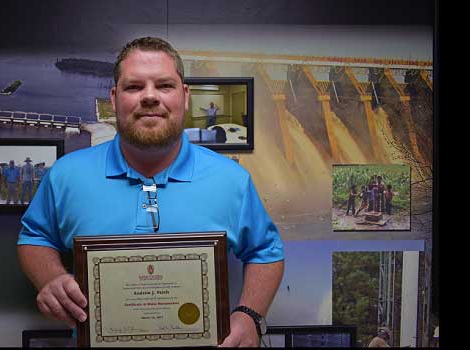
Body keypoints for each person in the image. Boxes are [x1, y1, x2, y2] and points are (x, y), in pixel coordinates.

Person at [16, 37, 284, 347]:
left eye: (164, 85)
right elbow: (35, 238)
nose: (150, 97)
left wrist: (249, 314)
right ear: (114, 99)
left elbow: (266, 252)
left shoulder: (231, 179)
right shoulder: (66, 175)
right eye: (134, 87)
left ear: (185, 97)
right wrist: (50, 278)